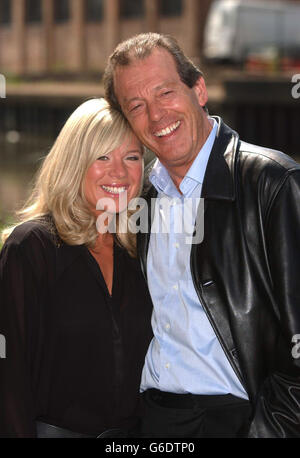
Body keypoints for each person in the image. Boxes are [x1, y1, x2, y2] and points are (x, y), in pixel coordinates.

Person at [103, 33, 300, 438]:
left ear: (199, 90)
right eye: (136, 106)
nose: (156, 115)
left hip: (241, 420)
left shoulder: (271, 183)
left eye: (165, 93)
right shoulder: (140, 198)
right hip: (154, 418)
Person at [0, 98, 153, 438]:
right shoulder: (32, 248)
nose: (119, 172)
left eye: (132, 157)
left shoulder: (141, 249)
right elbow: (9, 381)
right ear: (74, 162)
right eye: (102, 157)